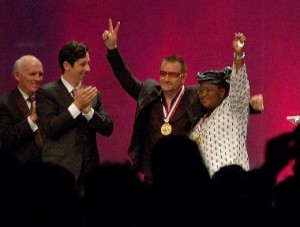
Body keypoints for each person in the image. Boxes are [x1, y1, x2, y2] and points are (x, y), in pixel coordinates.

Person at [102, 19, 263, 184]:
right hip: (153, 175)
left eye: (172, 75)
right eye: (163, 73)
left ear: (183, 77)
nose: (166, 78)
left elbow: (227, 101)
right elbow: (127, 80)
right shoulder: (150, 93)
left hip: (184, 179)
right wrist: (112, 50)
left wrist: (249, 106)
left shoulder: (195, 96)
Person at [36, 40, 114, 189]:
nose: (88, 69)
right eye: (83, 64)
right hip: (59, 171)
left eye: (89, 63)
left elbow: (108, 128)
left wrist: (89, 112)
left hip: (89, 173)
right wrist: (76, 106)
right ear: (67, 65)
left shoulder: (92, 94)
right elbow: (50, 129)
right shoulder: (47, 93)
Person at [189, 33, 250, 177]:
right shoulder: (201, 120)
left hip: (233, 185)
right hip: (208, 189)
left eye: (209, 90)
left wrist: (238, 54)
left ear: (222, 92)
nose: (203, 94)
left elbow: (239, 85)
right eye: (201, 91)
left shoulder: (233, 109)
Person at [0, 55, 44, 163]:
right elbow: (6, 139)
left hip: (48, 168)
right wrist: (31, 120)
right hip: (18, 170)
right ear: (17, 76)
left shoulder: (47, 99)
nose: (38, 79)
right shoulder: (4, 102)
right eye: (33, 74)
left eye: (40, 74)